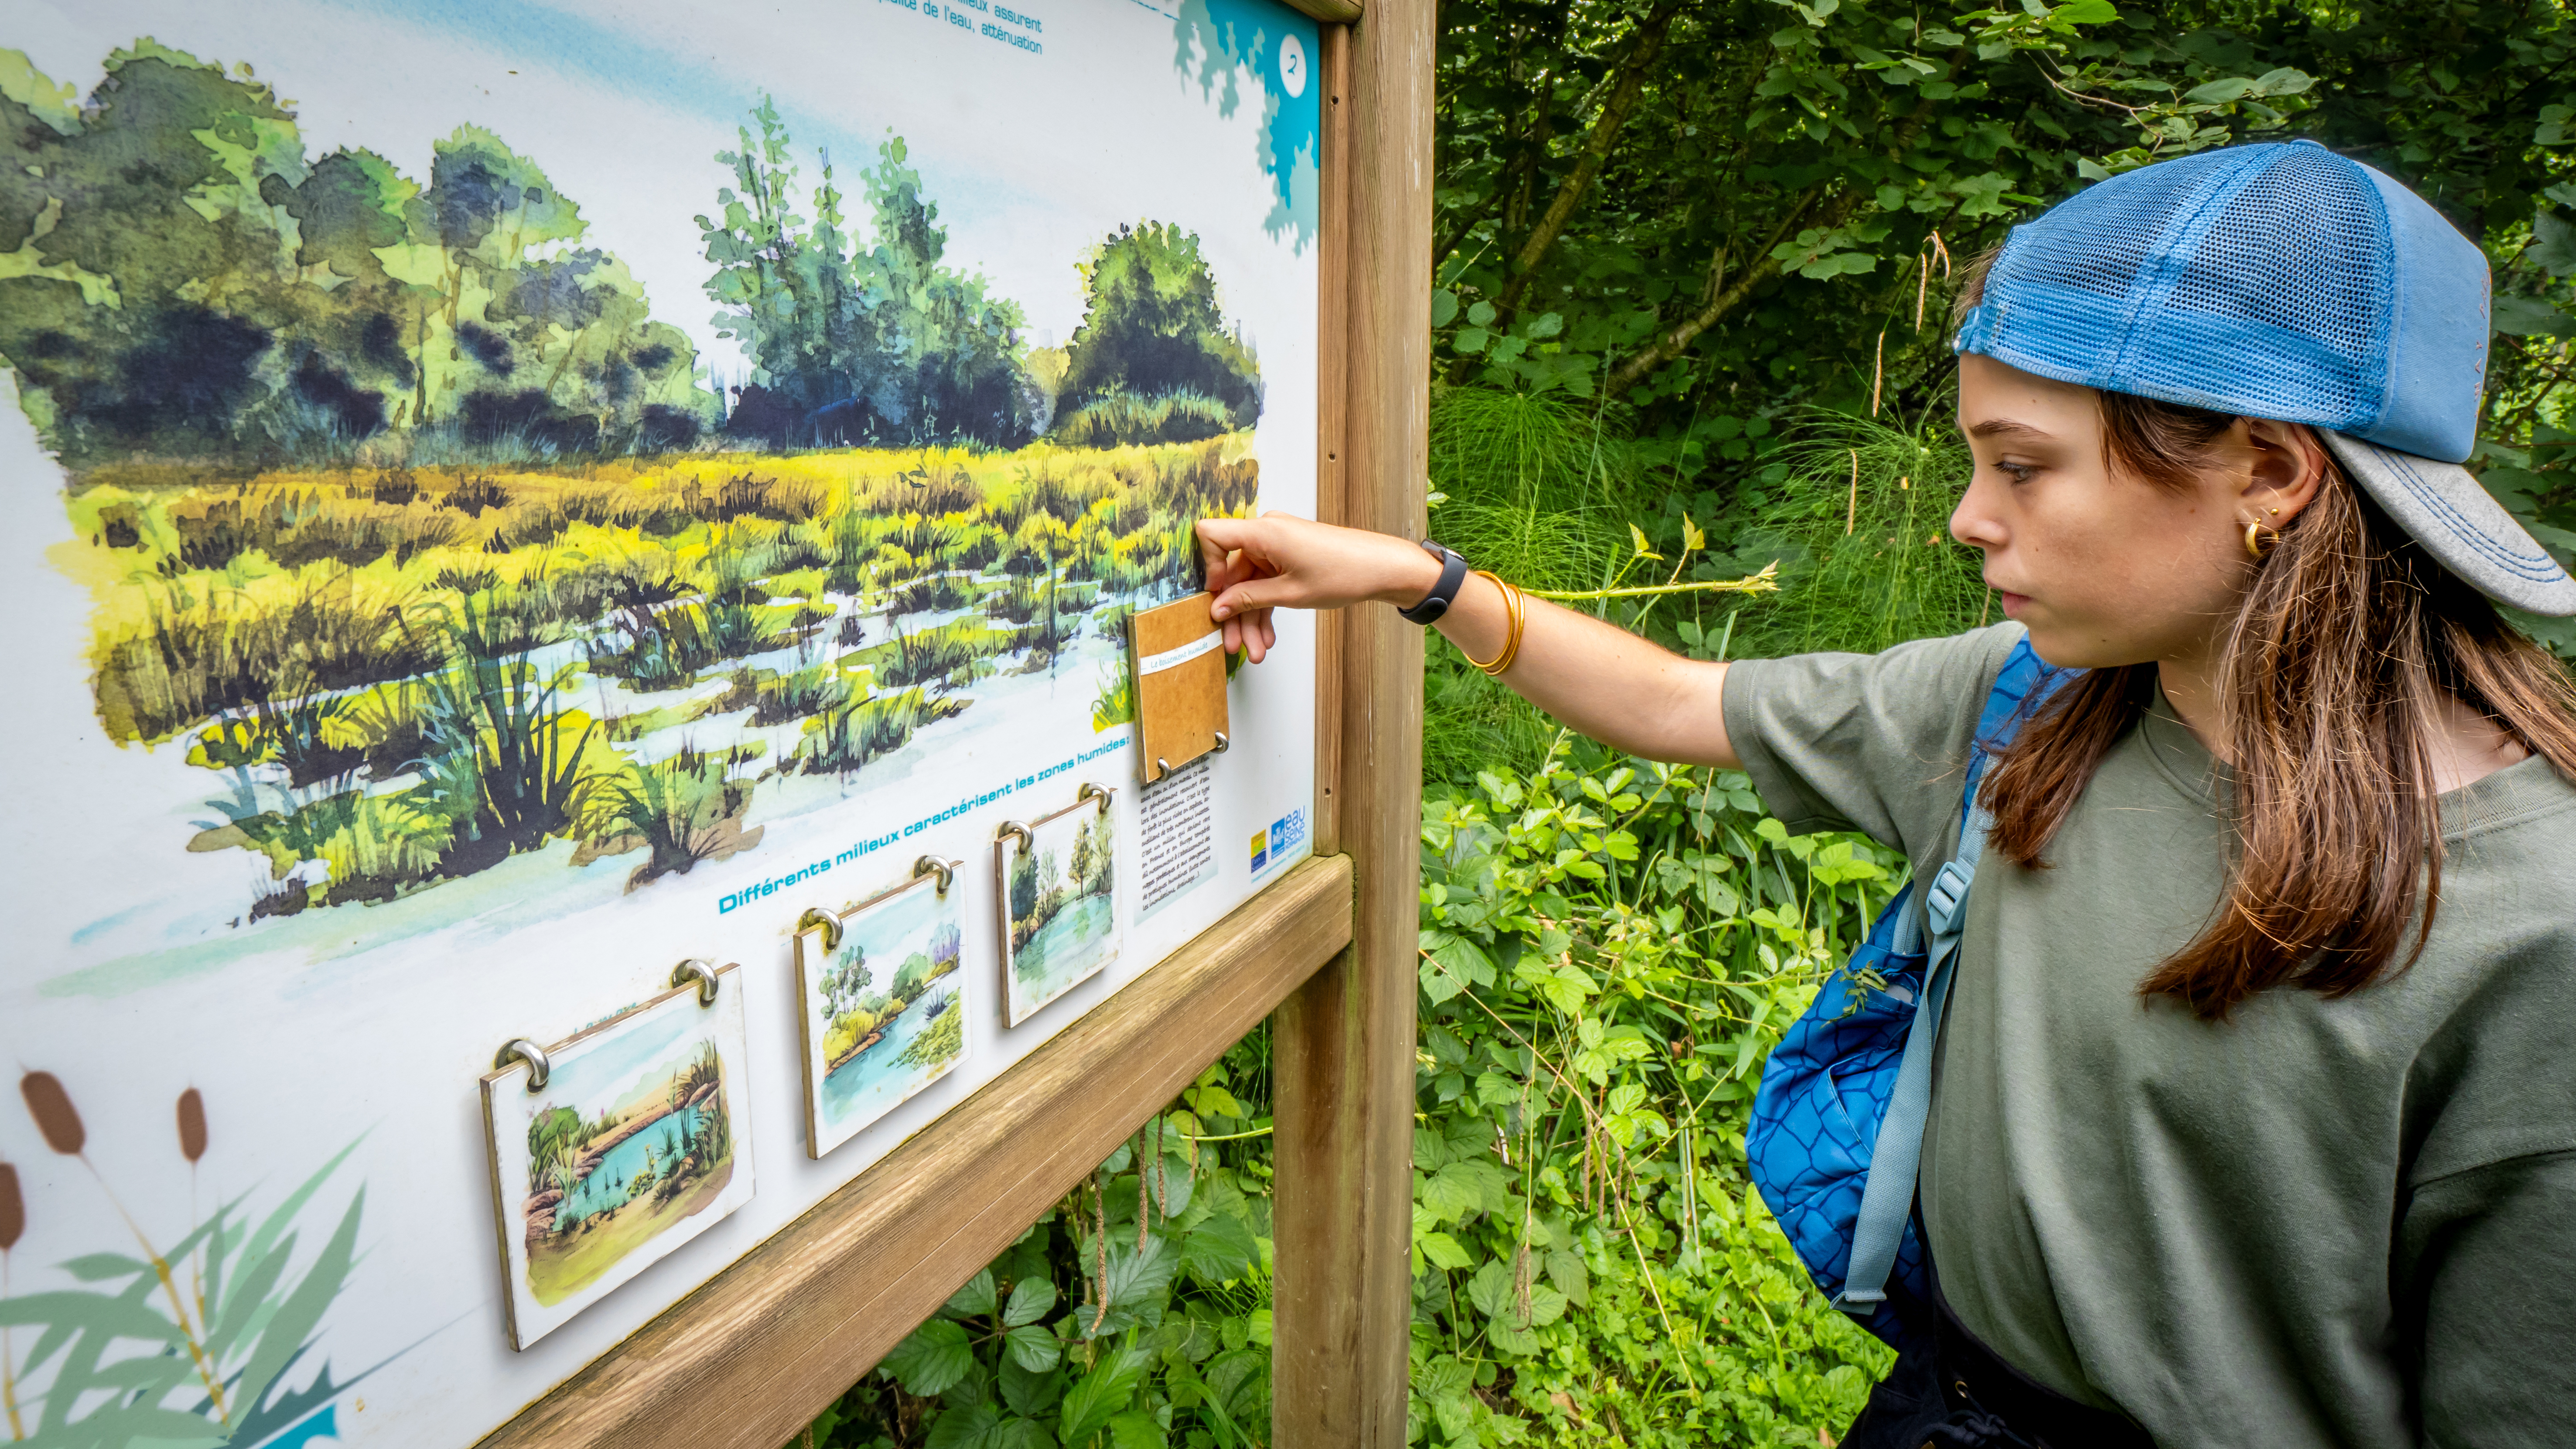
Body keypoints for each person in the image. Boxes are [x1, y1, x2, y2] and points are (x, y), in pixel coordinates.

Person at [1195, 141, 2576, 1448]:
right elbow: (1682, 705)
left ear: (2267, 475)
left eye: (2023, 467)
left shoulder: (2531, 934)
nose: (1970, 518)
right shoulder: (2033, 705)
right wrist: (1415, 580)